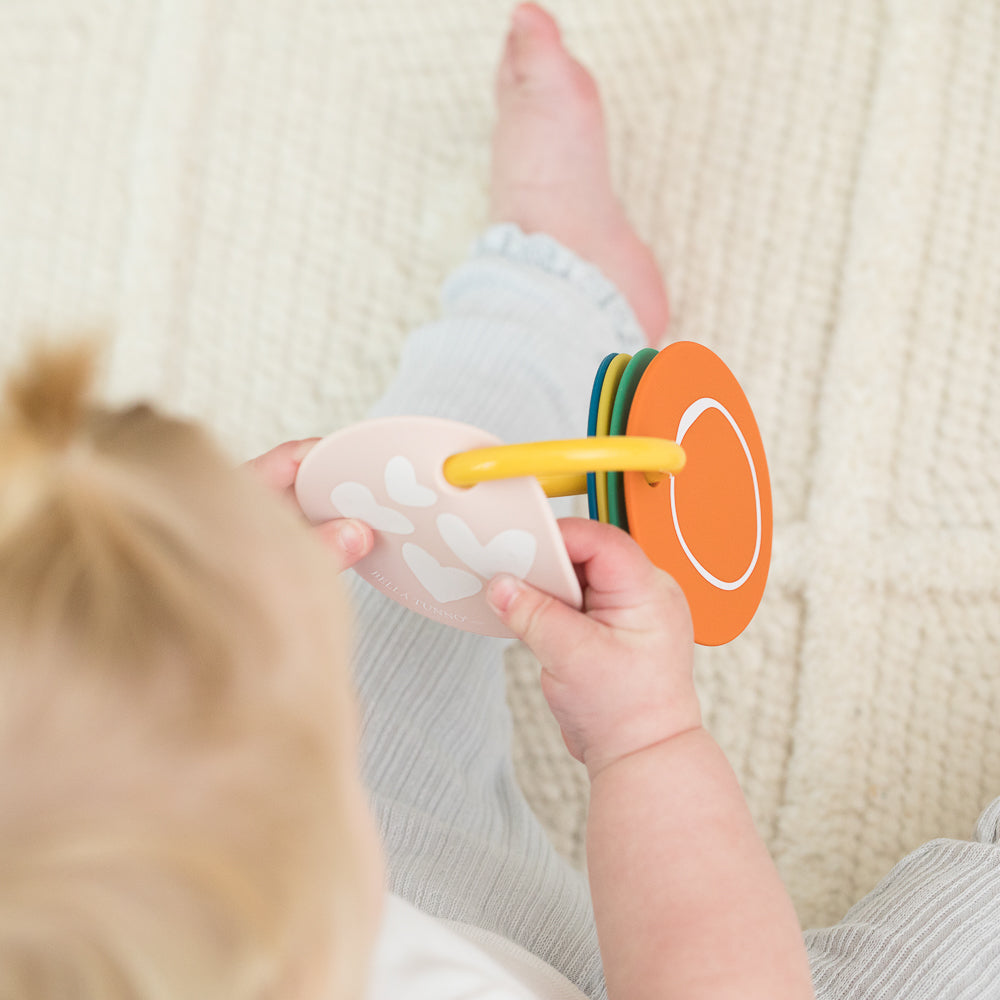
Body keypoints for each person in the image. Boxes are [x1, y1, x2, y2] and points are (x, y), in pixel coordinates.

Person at [5, 3, 994, 999]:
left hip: (396, 895)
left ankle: (553, 297)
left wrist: (214, 585)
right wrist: (645, 739)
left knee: (398, 521)